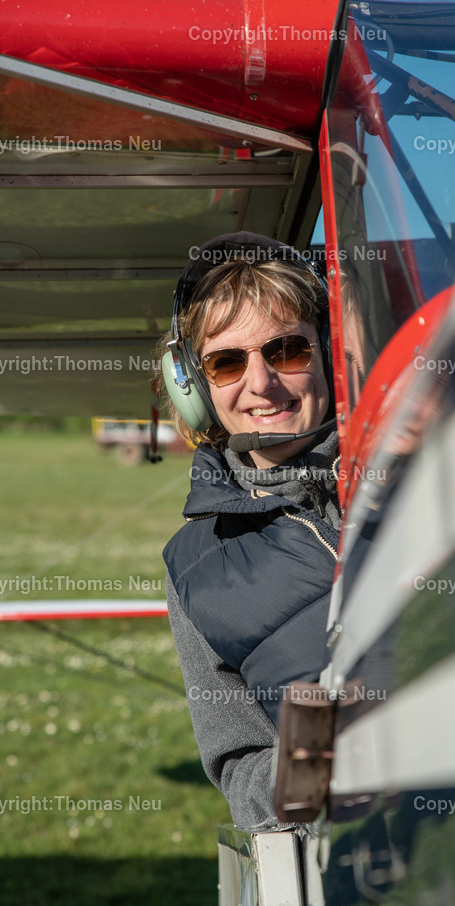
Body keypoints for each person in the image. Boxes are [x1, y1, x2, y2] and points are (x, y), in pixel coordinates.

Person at [158, 232, 341, 830]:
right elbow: (241, 772)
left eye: (287, 350)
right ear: (196, 388)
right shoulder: (193, 566)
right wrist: (324, 765)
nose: (260, 384)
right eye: (227, 362)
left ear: (332, 354)